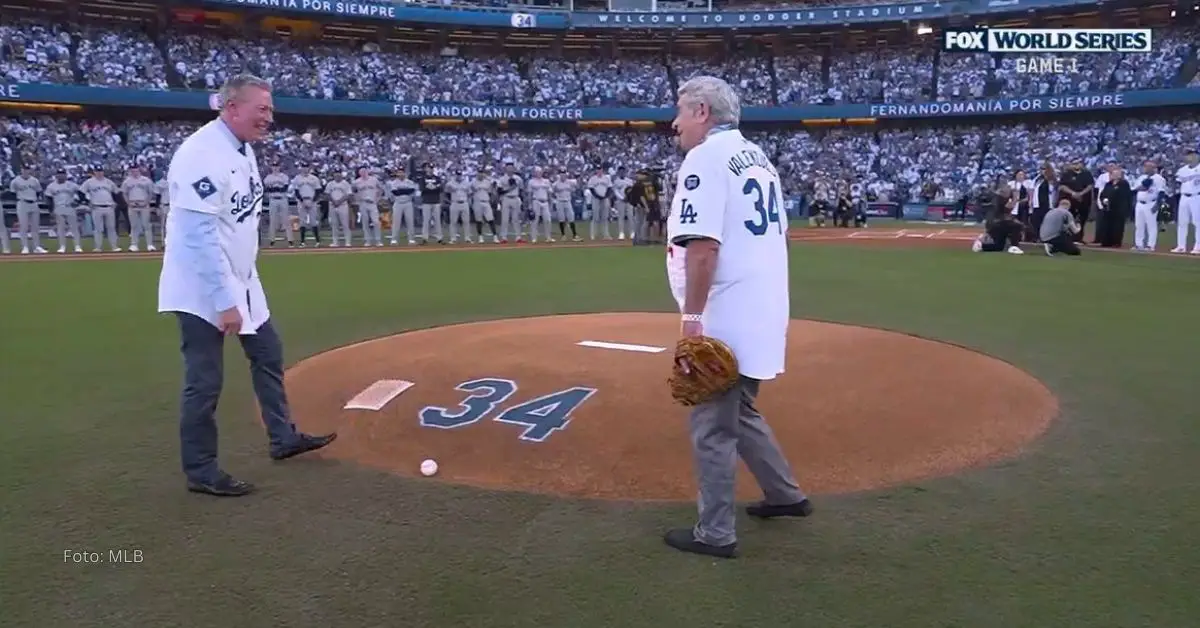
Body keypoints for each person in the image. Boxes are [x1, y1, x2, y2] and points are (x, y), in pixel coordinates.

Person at [157, 75, 335, 497]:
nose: (269, 118)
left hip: (241, 278)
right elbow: (197, 237)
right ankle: (201, 470)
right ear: (232, 108)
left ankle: (282, 437)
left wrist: (242, 287)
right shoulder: (200, 154)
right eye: (262, 110)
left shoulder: (242, 148)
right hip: (201, 286)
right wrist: (225, 301)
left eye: (270, 110)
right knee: (205, 380)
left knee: (268, 353)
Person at [663, 76, 810, 559]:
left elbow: (702, 249)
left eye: (681, 111)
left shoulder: (704, 157)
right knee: (740, 410)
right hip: (763, 306)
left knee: (712, 426)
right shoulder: (759, 158)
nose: (675, 122)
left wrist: (691, 318)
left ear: (702, 112)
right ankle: (785, 495)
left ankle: (715, 533)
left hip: (726, 313)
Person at [1059, 159, 1095, 243]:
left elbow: (1090, 186)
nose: (1076, 165)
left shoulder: (1087, 174)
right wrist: (1073, 193)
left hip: (1084, 200)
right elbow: (1062, 186)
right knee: (1069, 219)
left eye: (1078, 163)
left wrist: (1081, 193)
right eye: (1074, 164)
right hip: (1070, 201)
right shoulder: (1066, 174)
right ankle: (1069, 237)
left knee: (1082, 219)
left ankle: (1079, 237)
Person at [1172, 149, 1200, 254]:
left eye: (1192, 155)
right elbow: (1177, 182)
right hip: (1184, 197)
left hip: (1197, 196)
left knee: (1198, 223)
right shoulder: (1182, 170)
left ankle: (1198, 246)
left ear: (1197, 156)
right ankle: (1181, 246)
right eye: (1188, 155)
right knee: (1182, 222)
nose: (1190, 157)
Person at [1097, 167, 1132, 248]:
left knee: (1118, 226)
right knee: (1106, 225)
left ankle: (1116, 242)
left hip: (1119, 209)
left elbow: (1126, 197)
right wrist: (1104, 200)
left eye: (1115, 174)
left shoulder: (1124, 184)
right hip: (1108, 209)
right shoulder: (1108, 184)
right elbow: (1103, 194)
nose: (1112, 176)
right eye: (1112, 174)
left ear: (1119, 175)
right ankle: (1106, 241)